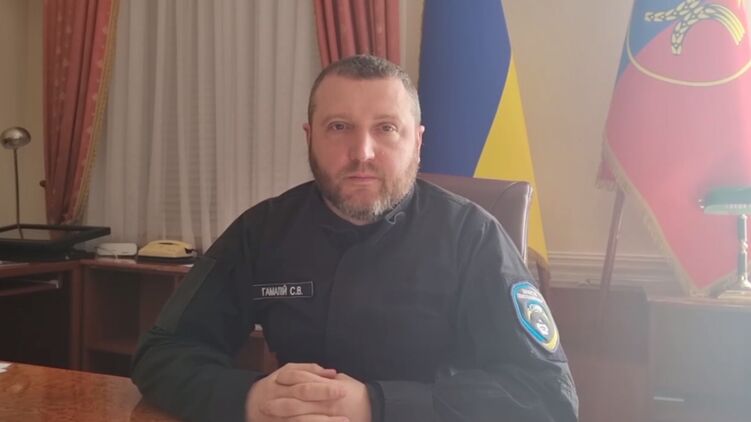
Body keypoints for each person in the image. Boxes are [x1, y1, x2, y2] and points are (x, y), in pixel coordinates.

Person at [131, 54, 578, 422]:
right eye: (339, 127)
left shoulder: (473, 237)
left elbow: (547, 396)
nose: (362, 153)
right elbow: (163, 351)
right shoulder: (262, 231)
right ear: (309, 137)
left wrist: (376, 406)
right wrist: (250, 399)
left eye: (386, 128)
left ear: (417, 142)